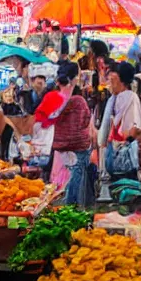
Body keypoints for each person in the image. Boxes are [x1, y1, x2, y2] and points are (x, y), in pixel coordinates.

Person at [45, 63, 93, 206]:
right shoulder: (79, 101)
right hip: (78, 151)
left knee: (59, 189)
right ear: (74, 79)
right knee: (76, 191)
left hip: (60, 152)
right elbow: (86, 121)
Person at [98, 61, 141, 177]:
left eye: (114, 75)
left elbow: (135, 127)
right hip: (115, 151)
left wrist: (124, 141)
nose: (111, 80)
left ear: (120, 79)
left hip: (123, 153)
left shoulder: (131, 98)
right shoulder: (114, 98)